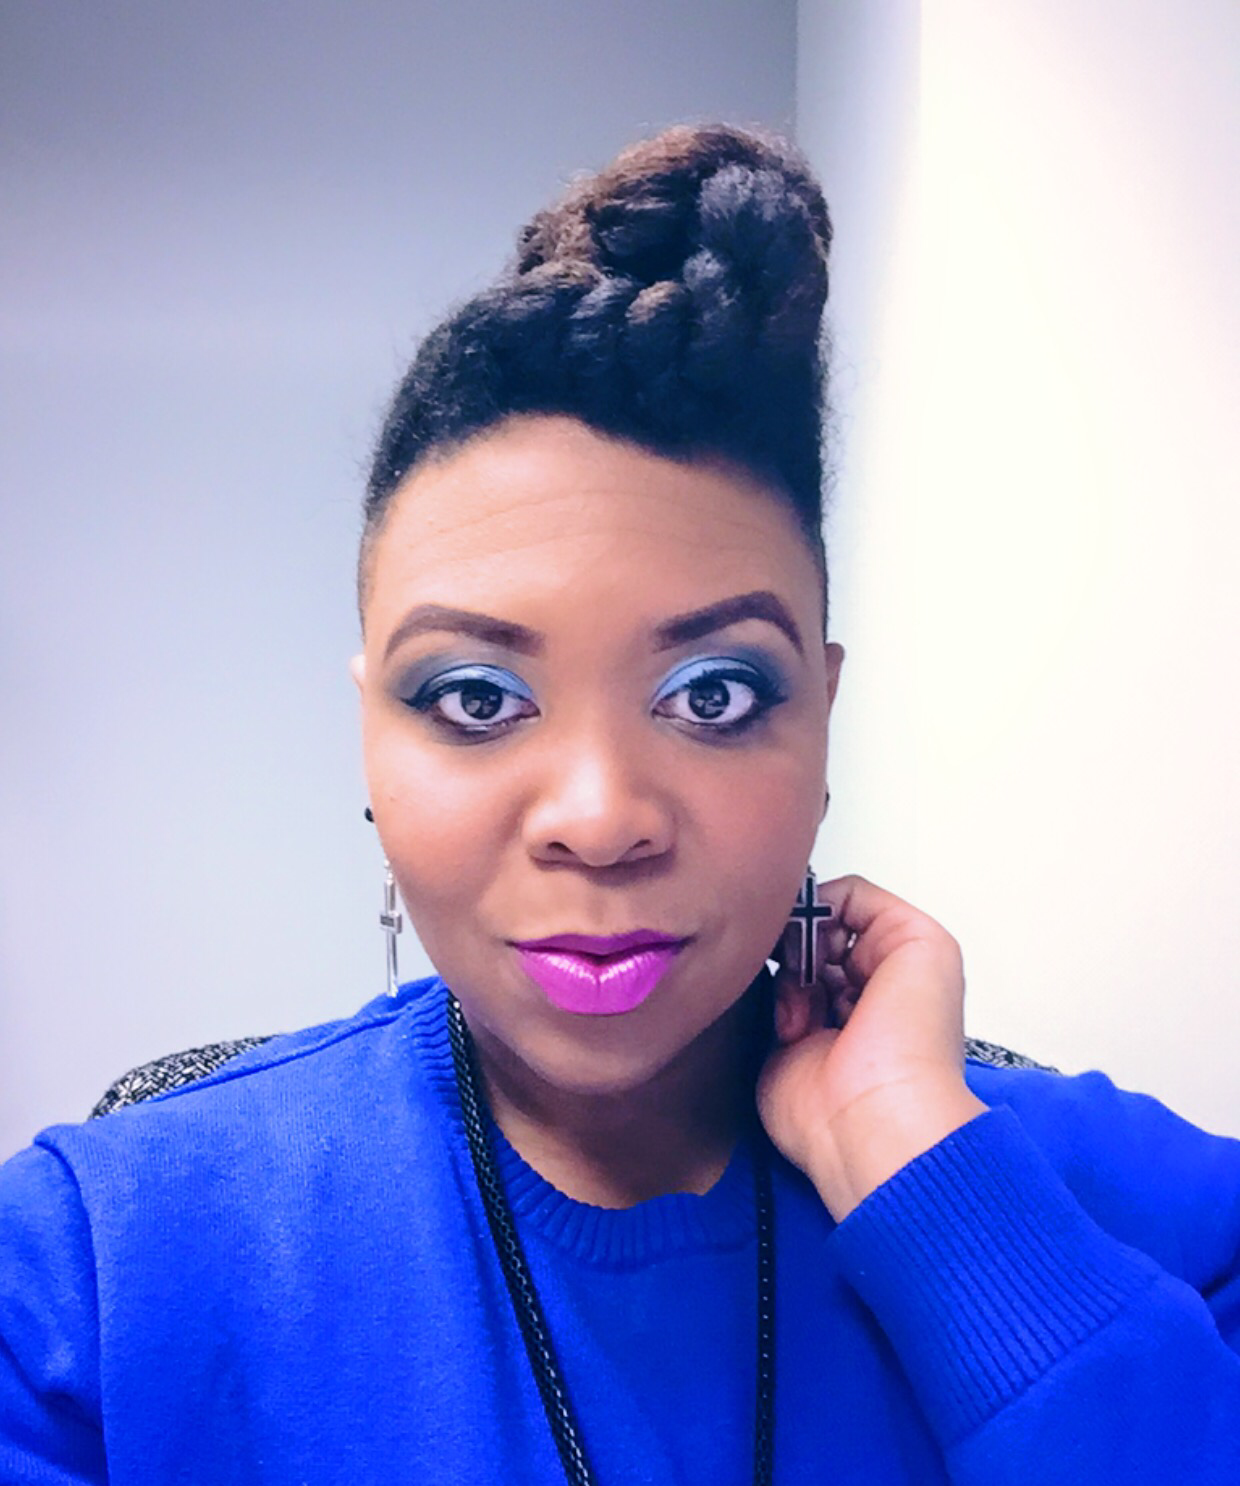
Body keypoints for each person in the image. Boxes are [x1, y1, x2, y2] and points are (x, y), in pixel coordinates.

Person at [1, 123, 1238, 1485]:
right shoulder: (92, 1279)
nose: (599, 820)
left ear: (822, 715)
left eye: (713, 693)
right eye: (476, 697)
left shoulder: (1133, 1219)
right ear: (369, 737)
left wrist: (927, 1178)